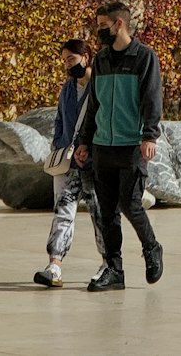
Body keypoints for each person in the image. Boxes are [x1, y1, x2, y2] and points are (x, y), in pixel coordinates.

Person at [74, 0, 164, 292]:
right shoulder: (100, 60)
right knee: (106, 211)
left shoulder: (144, 58)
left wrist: (149, 136)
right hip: (102, 146)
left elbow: (152, 99)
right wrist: (85, 141)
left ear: (119, 24)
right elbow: (94, 105)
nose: (98, 31)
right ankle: (114, 270)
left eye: (103, 26)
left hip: (131, 146)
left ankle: (151, 247)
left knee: (131, 204)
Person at [33, 40, 106, 289]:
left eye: (71, 59)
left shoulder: (100, 86)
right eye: (64, 60)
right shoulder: (67, 87)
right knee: (62, 211)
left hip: (94, 163)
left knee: (100, 214)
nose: (67, 64)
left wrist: (91, 150)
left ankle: (109, 263)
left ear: (86, 57)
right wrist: (59, 145)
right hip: (67, 161)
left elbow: (105, 121)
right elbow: (61, 119)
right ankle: (54, 265)